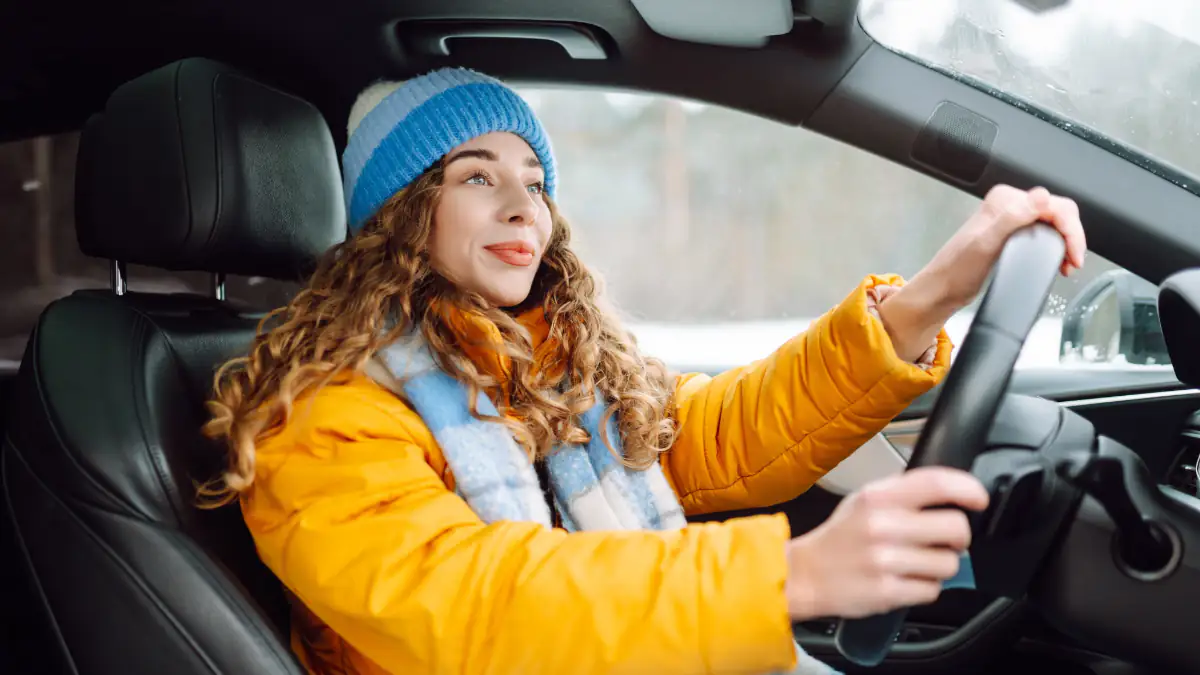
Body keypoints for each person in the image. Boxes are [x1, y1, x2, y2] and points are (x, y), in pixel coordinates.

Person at [202, 67, 1087, 675]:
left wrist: (928, 299)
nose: (522, 206)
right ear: (398, 215)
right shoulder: (320, 416)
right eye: (475, 177)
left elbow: (717, 431)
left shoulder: (553, 365)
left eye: (535, 182)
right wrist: (791, 576)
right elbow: (484, 603)